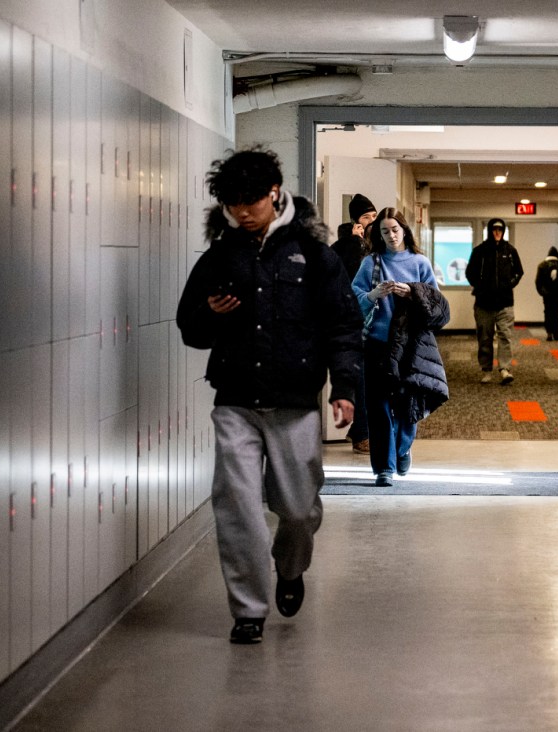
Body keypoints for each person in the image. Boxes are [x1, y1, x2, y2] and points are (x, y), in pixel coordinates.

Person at [176, 147, 362, 645]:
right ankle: (248, 611)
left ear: (274, 192)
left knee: (298, 510)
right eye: (232, 203)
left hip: (294, 402)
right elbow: (188, 328)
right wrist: (212, 314)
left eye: (250, 201)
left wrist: (344, 388)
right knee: (237, 507)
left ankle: (290, 567)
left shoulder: (314, 255)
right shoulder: (220, 256)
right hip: (235, 402)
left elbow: (344, 325)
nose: (241, 212)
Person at [352, 207, 449, 487]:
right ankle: (384, 467)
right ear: (378, 235)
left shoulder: (420, 263)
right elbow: (353, 297)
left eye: (395, 229)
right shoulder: (371, 263)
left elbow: (436, 306)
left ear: (404, 230)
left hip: (410, 345)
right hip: (377, 343)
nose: (391, 235)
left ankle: (404, 447)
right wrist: (373, 294)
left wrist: (413, 293)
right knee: (379, 405)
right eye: (385, 231)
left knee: (407, 404)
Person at [331, 194, 378, 455]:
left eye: (374, 216)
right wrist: (353, 242)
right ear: (355, 222)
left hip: (374, 322)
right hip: (353, 324)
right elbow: (347, 277)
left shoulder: (374, 243)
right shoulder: (348, 245)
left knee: (368, 380)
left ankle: (361, 429)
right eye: (366, 217)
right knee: (360, 381)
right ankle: (362, 435)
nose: (372, 221)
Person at [465, 218, 523, 385]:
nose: (497, 232)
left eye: (500, 230)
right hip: (484, 303)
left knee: (505, 336)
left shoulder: (510, 251)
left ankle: (505, 368)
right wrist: (480, 286)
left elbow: (519, 272)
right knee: (485, 337)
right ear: (490, 231)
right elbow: (470, 273)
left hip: (505, 303)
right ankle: (486, 369)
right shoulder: (480, 252)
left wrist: (509, 284)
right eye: (494, 230)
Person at [534, 246, 558, 341]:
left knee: (548, 312)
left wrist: (541, 292)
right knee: (556, 312)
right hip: (557, 293)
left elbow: (537, 281)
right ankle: (556, 333)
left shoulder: (541, 265)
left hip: (547, 293)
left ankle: (549, 333)